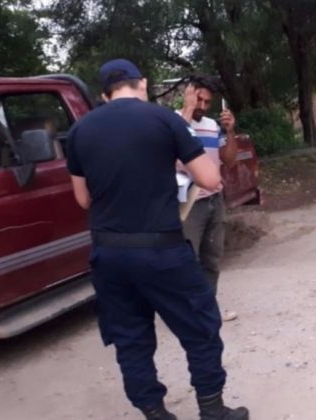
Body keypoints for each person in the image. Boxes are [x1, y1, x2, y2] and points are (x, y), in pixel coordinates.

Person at [66, 59, 248, 420]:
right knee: (200, 325)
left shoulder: (79, 131)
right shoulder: (164, 119)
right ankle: (212, 410)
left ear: (104, 94)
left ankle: (155, 412)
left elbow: (83, 199)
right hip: (160, 249)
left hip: (109, 255)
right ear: (143, 83)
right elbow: (210, 179)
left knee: (131, 338)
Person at [178, 76, 238, 322]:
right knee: (186, 260)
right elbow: (170, 153)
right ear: (188, 94)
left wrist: (230, 131)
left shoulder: (213, 125)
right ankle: (187, 313)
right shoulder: (171, 121)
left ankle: (208, 309)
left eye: (207, 101)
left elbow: (230, 160)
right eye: (198, 99)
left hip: (214, 199)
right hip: (188, 202)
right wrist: (188, 110)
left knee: (211, 258)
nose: (202, 105)